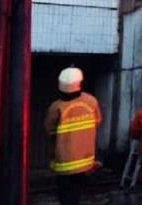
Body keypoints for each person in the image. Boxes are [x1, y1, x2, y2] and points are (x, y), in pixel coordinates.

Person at [44, 66, 102, 205]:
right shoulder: (91, 101)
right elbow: (97, 121)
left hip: (64, 165)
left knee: (66, 198)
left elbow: (49, 130)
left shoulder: (56, 107)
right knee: (76, 195)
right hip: (86, 163)